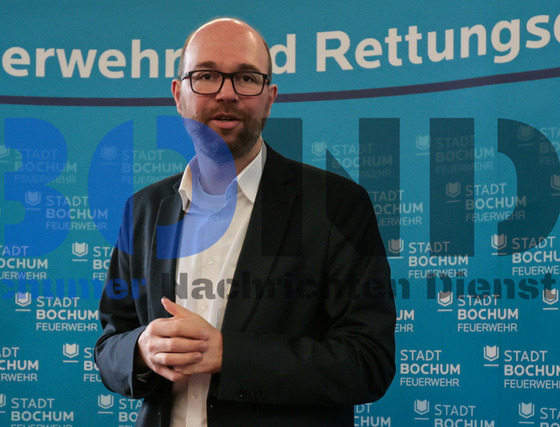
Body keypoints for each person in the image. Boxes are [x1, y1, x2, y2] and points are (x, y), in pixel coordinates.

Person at [95, 17, 396, 427]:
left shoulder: (337, 206)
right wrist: (141, 350)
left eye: (246, 78)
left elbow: (368, 362)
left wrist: (229, 355)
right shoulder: (143, 209)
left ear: (269, 98)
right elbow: (110, 344)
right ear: (178, 95)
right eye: (206, 76)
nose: (226, 93)